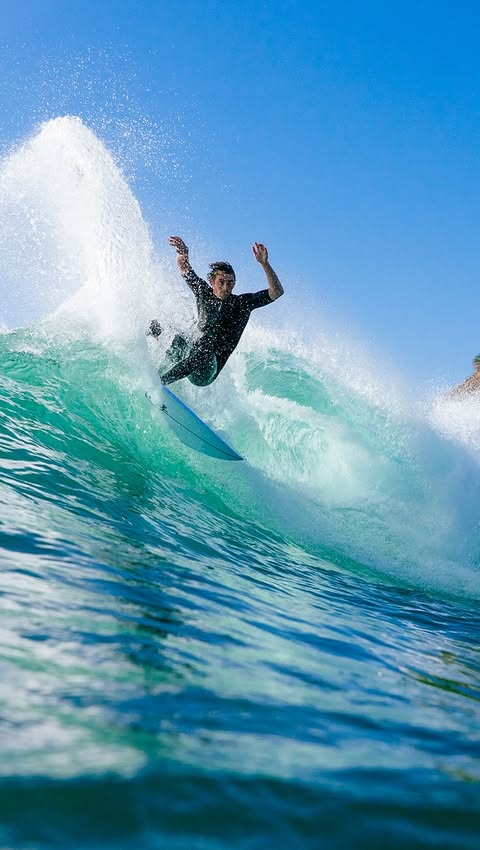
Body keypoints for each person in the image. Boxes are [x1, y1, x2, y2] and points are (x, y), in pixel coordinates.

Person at [149, 236, 284, 386]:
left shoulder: (242, 304)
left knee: (206, 347)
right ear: (212, 281)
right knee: (161, 328)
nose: (226, 287)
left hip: (207, 370)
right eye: (221, 282)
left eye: (230, 283)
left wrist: (264, 264)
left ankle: (159, 383)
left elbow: (276, 292)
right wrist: (183, 254)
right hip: (189, 354)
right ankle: (140, 359)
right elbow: (184, 268)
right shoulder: (203, 292)